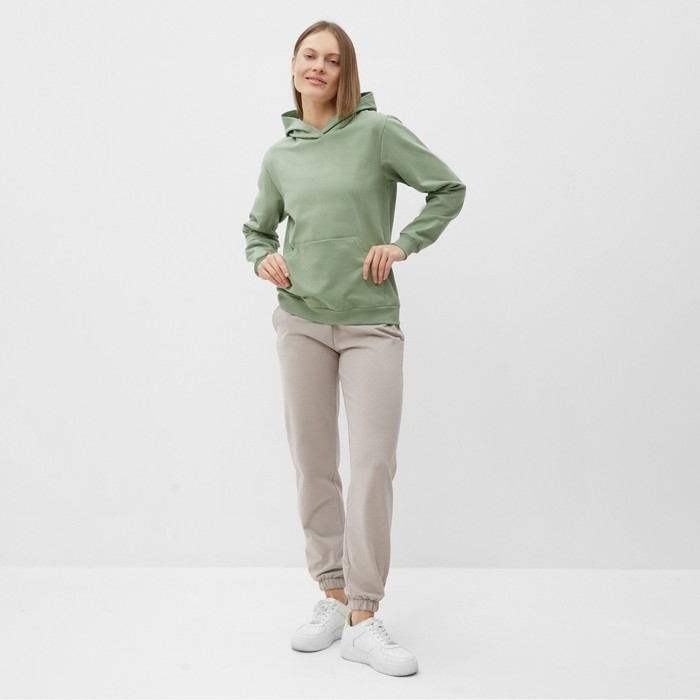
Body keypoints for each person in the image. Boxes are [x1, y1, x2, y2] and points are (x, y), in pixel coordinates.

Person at [242, 20, 465, 677]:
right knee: (314, 464)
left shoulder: (378, 132)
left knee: (372, 466)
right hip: (301, 322)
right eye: (308, 56)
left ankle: (365, 616)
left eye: (331, 59)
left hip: (371, 325)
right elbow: (257, 230)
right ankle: (333, 596)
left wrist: (403, 244)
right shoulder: (279, 157)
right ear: (293, 66)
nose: (318, 67)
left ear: (347, 71)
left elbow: (448, 188)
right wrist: (263, 258)